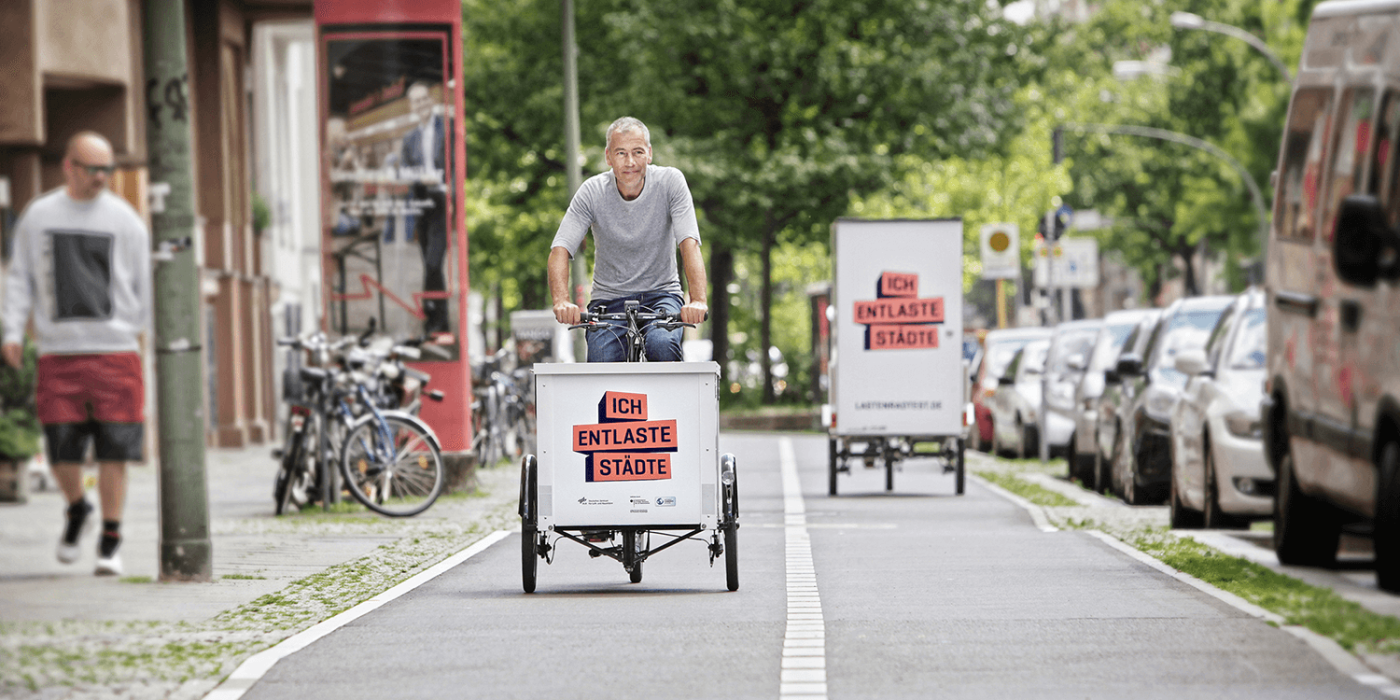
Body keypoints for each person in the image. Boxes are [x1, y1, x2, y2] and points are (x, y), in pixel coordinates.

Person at [2, 131, 151, 576]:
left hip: (116, 352)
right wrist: (12, 331)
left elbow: (143, 284)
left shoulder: (126, 220)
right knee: (62, 451)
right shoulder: (40, 216)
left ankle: (110, 538)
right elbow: (20, 278)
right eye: (93, 169)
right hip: (58, 353)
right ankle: (76, 508)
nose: (102, 178)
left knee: (115, 451)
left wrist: (133, 333)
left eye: (108, 169)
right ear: (69, 166)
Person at [549, 117, 708, 361]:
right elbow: (560, 249)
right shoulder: (592, 192)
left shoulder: (670, 183)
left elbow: (689, 243)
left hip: (661, 295)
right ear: (608, 157)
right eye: (621, 153)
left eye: (638, 152)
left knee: (662, 345)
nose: (630, 162)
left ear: (650, 154)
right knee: (602, 363)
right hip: (609, 299)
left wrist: (697, 300)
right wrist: (562, 301)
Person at [400, 82, 450, 334]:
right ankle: (438, 320)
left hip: (441, 201)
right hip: (422, 203)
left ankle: (434, 317)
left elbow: (456, 162)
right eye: (415, 101)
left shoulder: (447, 128)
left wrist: (441, 180)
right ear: (412, 106)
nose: (420, 105)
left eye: (423, 100)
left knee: (433, 263)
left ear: (430, 101)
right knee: (431, 265)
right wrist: (421, 176)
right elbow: (404, 170)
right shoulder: (410, 138)